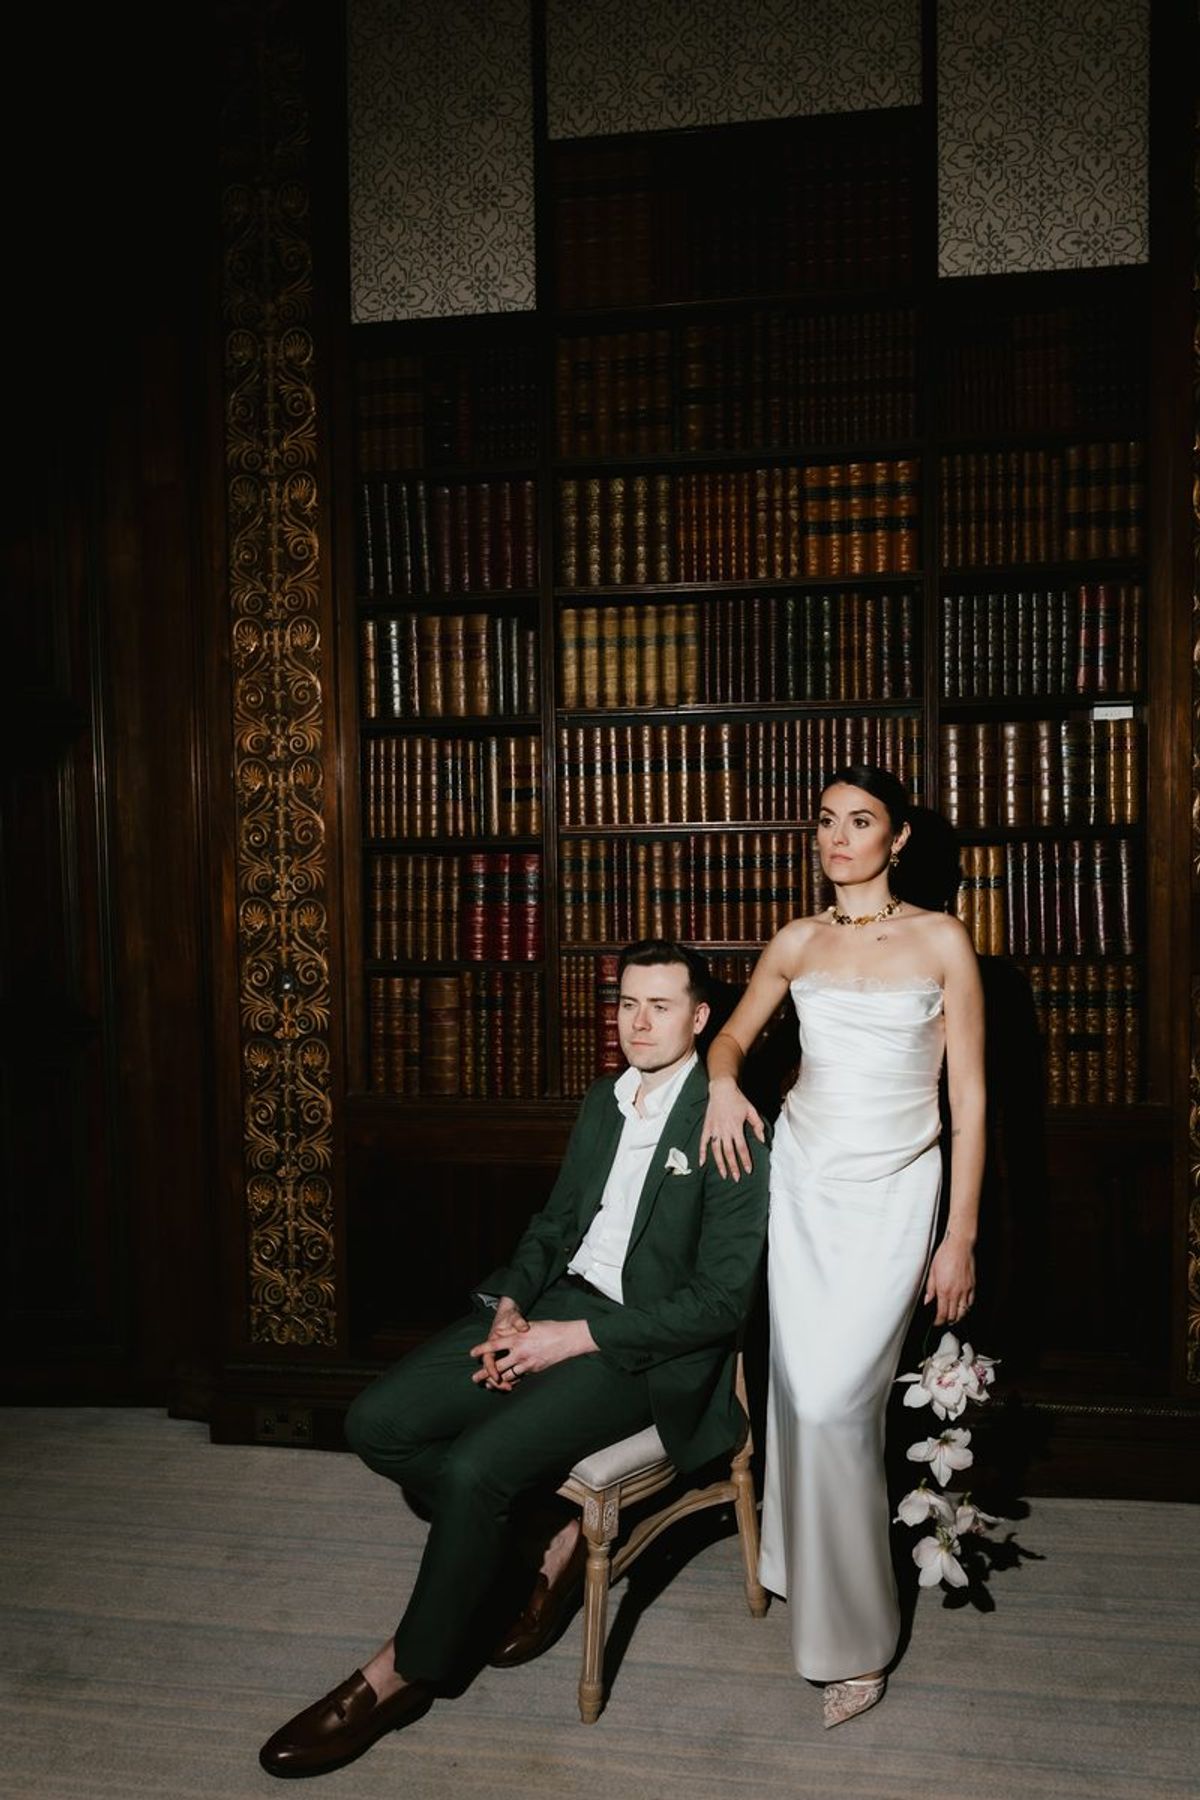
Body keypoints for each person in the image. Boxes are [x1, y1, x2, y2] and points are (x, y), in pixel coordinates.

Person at [259, 938, 769, 1778]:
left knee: (472, 1470)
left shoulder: (729, 1125)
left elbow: (719, 1307)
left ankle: (403, 1674)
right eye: (627, 1004)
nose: (639, 1023)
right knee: (376, 1421)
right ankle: (534, 1536)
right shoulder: (605, 1101)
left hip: (640, 1347)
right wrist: (512, 1307)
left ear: (701, 1017)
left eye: (661, 1006)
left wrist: (572, 1339)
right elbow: (554, 1225)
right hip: (557, 1308)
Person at [700, 766, 985, 1729]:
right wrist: (726, 1085)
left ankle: (856, 1642)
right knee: (796, 1386)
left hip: (898, 1192)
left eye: (859, 821)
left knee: (835, 1404)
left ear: (897, 837)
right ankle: (796, 1561)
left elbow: (971, 1101)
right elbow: (729, 1040)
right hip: (804, 1184)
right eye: (825, 821)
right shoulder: (798, 940)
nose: (837, 836)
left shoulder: (942, 938)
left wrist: (961, 1235)